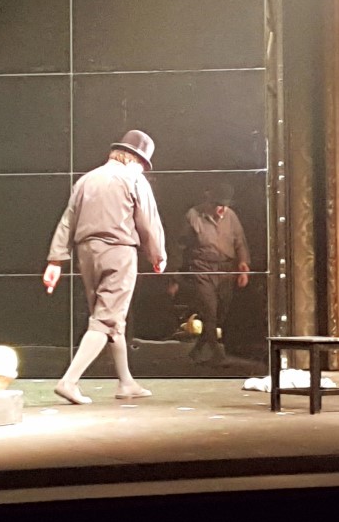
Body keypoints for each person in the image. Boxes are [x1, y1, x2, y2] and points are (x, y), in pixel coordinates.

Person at [43, 129, 167, 405]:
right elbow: (148, 222)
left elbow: (67, 220)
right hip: (118, 252)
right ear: (135, 159)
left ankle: (126, 382)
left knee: (110, 318)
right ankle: (69, 381)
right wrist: (157, 255)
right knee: (106, 319)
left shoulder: (86, 179)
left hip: (86, 253)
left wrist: (55, 260)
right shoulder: (134, 179)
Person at [178, 180, 251, 365]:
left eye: (225, 205)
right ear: (209, 201)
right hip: (202, 268)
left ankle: (198, 350)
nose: (222, 209)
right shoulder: (193, 215)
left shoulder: (231, 216)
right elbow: (181, 246)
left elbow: (240, 242)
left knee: (221, 313)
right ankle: (218, 354)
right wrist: (177, 274)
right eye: (218, 205)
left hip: (226, 270)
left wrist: (243, 265)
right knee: (209, 311)